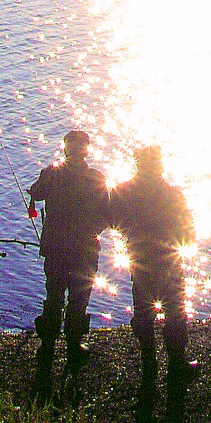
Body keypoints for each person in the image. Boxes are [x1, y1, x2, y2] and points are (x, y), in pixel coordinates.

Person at [110, 145, 196, 422]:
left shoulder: (123, 191)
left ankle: (149, 366)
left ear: (136, 165)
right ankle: (177, 364)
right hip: (169, 260)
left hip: (139, 259)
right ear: (159, 165)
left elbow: (113, 222)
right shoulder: (172, 193)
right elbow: (189, 234)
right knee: (175, 311)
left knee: (144, 311)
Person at [28, 130, 109, 403]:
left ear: (65, 149)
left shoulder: (51, 174)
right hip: (86, 251)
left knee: (54, 297)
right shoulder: (97, 178)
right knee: (78, 301)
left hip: (56, 249)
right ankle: (75, 347)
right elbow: (107, 216)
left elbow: (36, 194)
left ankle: (47, 346)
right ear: (86, 151)